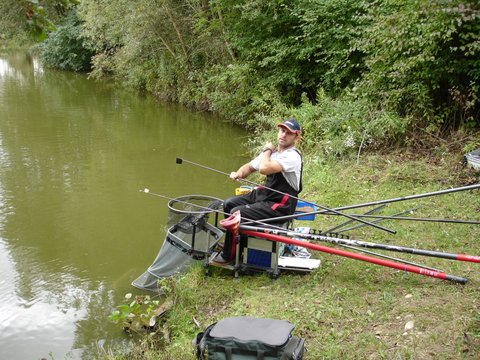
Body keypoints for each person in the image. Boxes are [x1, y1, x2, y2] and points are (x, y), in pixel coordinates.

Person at [213, 118, 303, 264]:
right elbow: (249, 167)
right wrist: (239, 173)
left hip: (280, 203)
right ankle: (232, 244)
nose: (283, 135)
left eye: (289, 133)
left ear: (296, 138)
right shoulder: (271, 153)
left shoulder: (292, 156)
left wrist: (266, 150)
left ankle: (228, 255)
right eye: (282, 130)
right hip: (265, 195)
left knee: (237, 212)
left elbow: (263, 168)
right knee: (228, 204)